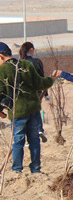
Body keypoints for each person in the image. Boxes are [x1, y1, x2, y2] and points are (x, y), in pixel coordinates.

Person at [0, 42, 54, 173]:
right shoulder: (25, 65)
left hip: (18, 112)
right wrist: (51, 79)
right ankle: (36, 169)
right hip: (33, 109)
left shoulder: (2, 71)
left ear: (1, 56)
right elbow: (39, 83)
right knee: (34, 140)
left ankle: (17, 169)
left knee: (18, 141)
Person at [19, 42, 48, 143]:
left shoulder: (19, 63)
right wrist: (46, 94)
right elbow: (42, 78)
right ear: (31, 50)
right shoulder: (37, 62)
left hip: (24, 92)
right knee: (35, 110)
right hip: (37, 91)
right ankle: (39, 129)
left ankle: (28, 138)